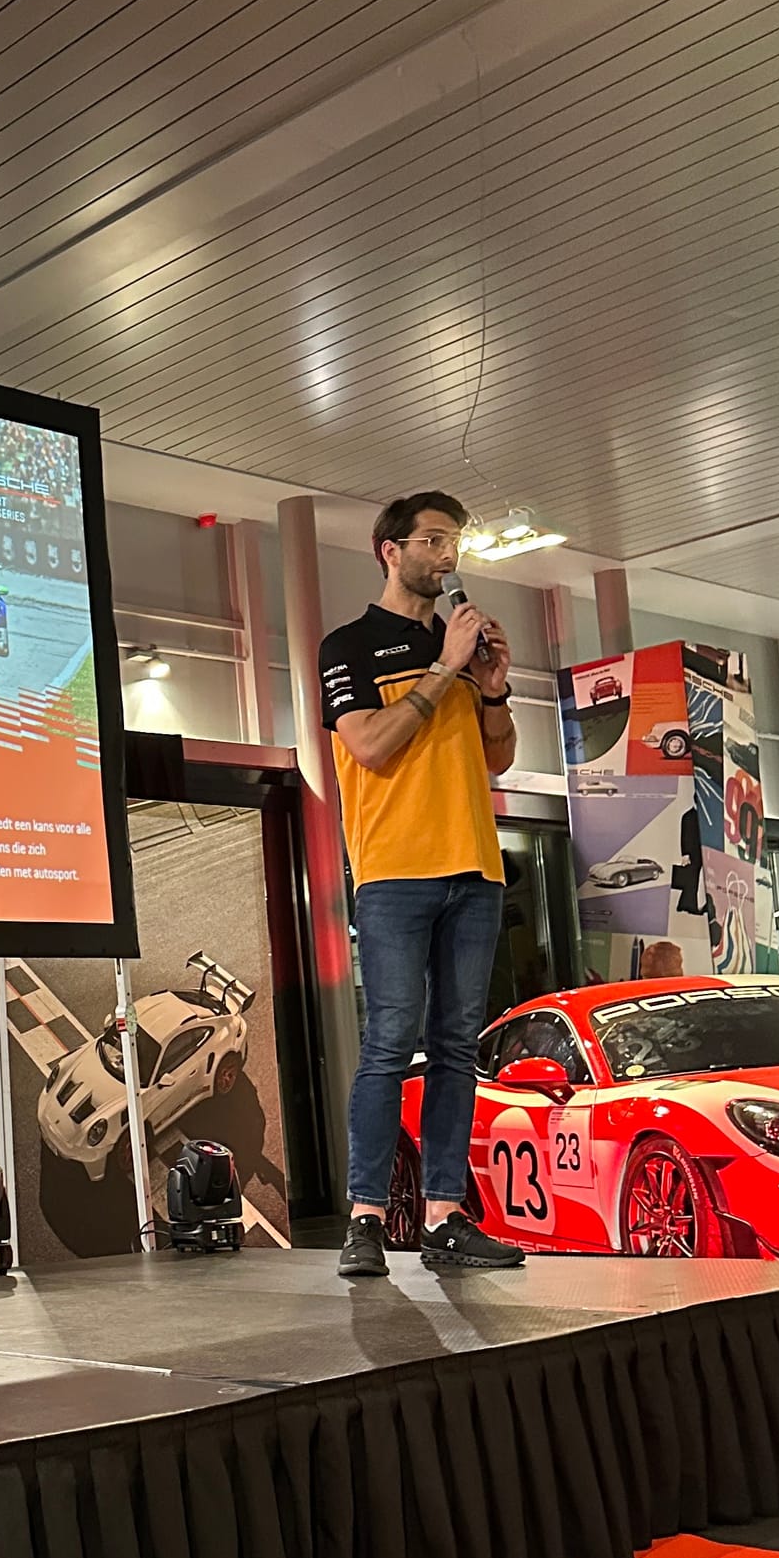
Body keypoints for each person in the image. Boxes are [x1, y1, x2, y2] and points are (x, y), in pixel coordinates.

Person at [320, 491, 526, 1276]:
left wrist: (492, 685)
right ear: (391, 549)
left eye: (454, 542)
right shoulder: (348, 646)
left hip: (474, 869)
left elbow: (497, 756)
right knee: (387, 1043)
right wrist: (444, 669)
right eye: (433, 540)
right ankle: (366, 1219)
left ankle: (443, 1215)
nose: (447, 555)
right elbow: (370, 745)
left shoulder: (462, 647)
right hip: (395, 872)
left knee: (454, 1048)